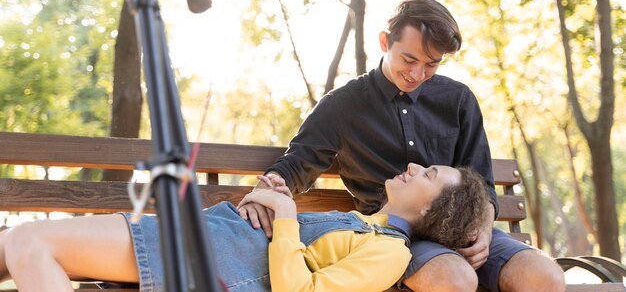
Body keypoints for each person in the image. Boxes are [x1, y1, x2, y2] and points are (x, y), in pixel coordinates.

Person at [238, 0, 566, 292]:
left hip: (468, 230)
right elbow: (298, 163)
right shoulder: (343, 105)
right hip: (395, 237)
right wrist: (268, 191)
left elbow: (480, 180)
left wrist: (482, 227)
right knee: (454, 280)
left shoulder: (458, 100)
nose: (417, 73)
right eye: (409, 59)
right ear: (385, 41)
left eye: (431, 63)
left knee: (545, 277)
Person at [0, 164, 487, 292]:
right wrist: (274, 201)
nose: (414, 165)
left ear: (434, 213)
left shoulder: (390, 254)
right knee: (8, 247)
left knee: (28, 241)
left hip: (211, 258)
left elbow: (300, 289)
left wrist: (288, 217)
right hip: (207, 236)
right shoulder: (360, 223)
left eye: (430, 175)